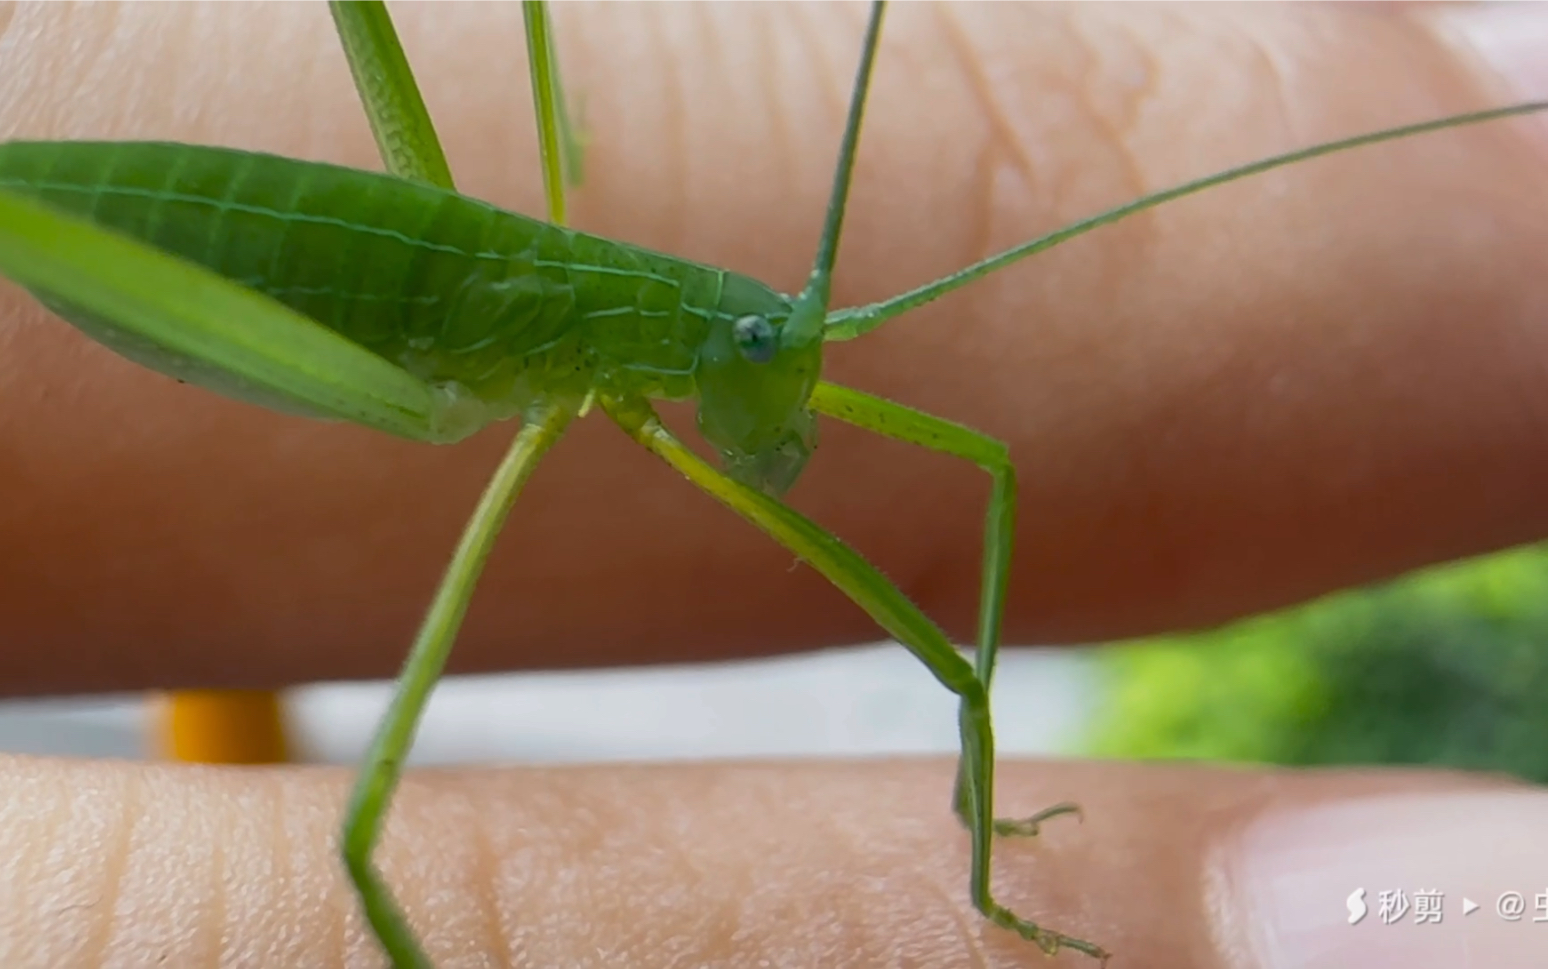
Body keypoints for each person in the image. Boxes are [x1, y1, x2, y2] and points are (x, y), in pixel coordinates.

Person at [0, 4, 1544, 967]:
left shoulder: (692, 342)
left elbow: (993, 470)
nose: (789, 391)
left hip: (420, 275)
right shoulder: (637, 359)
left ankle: (983, 858)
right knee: (362, 830)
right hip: (300, 302)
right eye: (771, 356)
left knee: (980, 484)